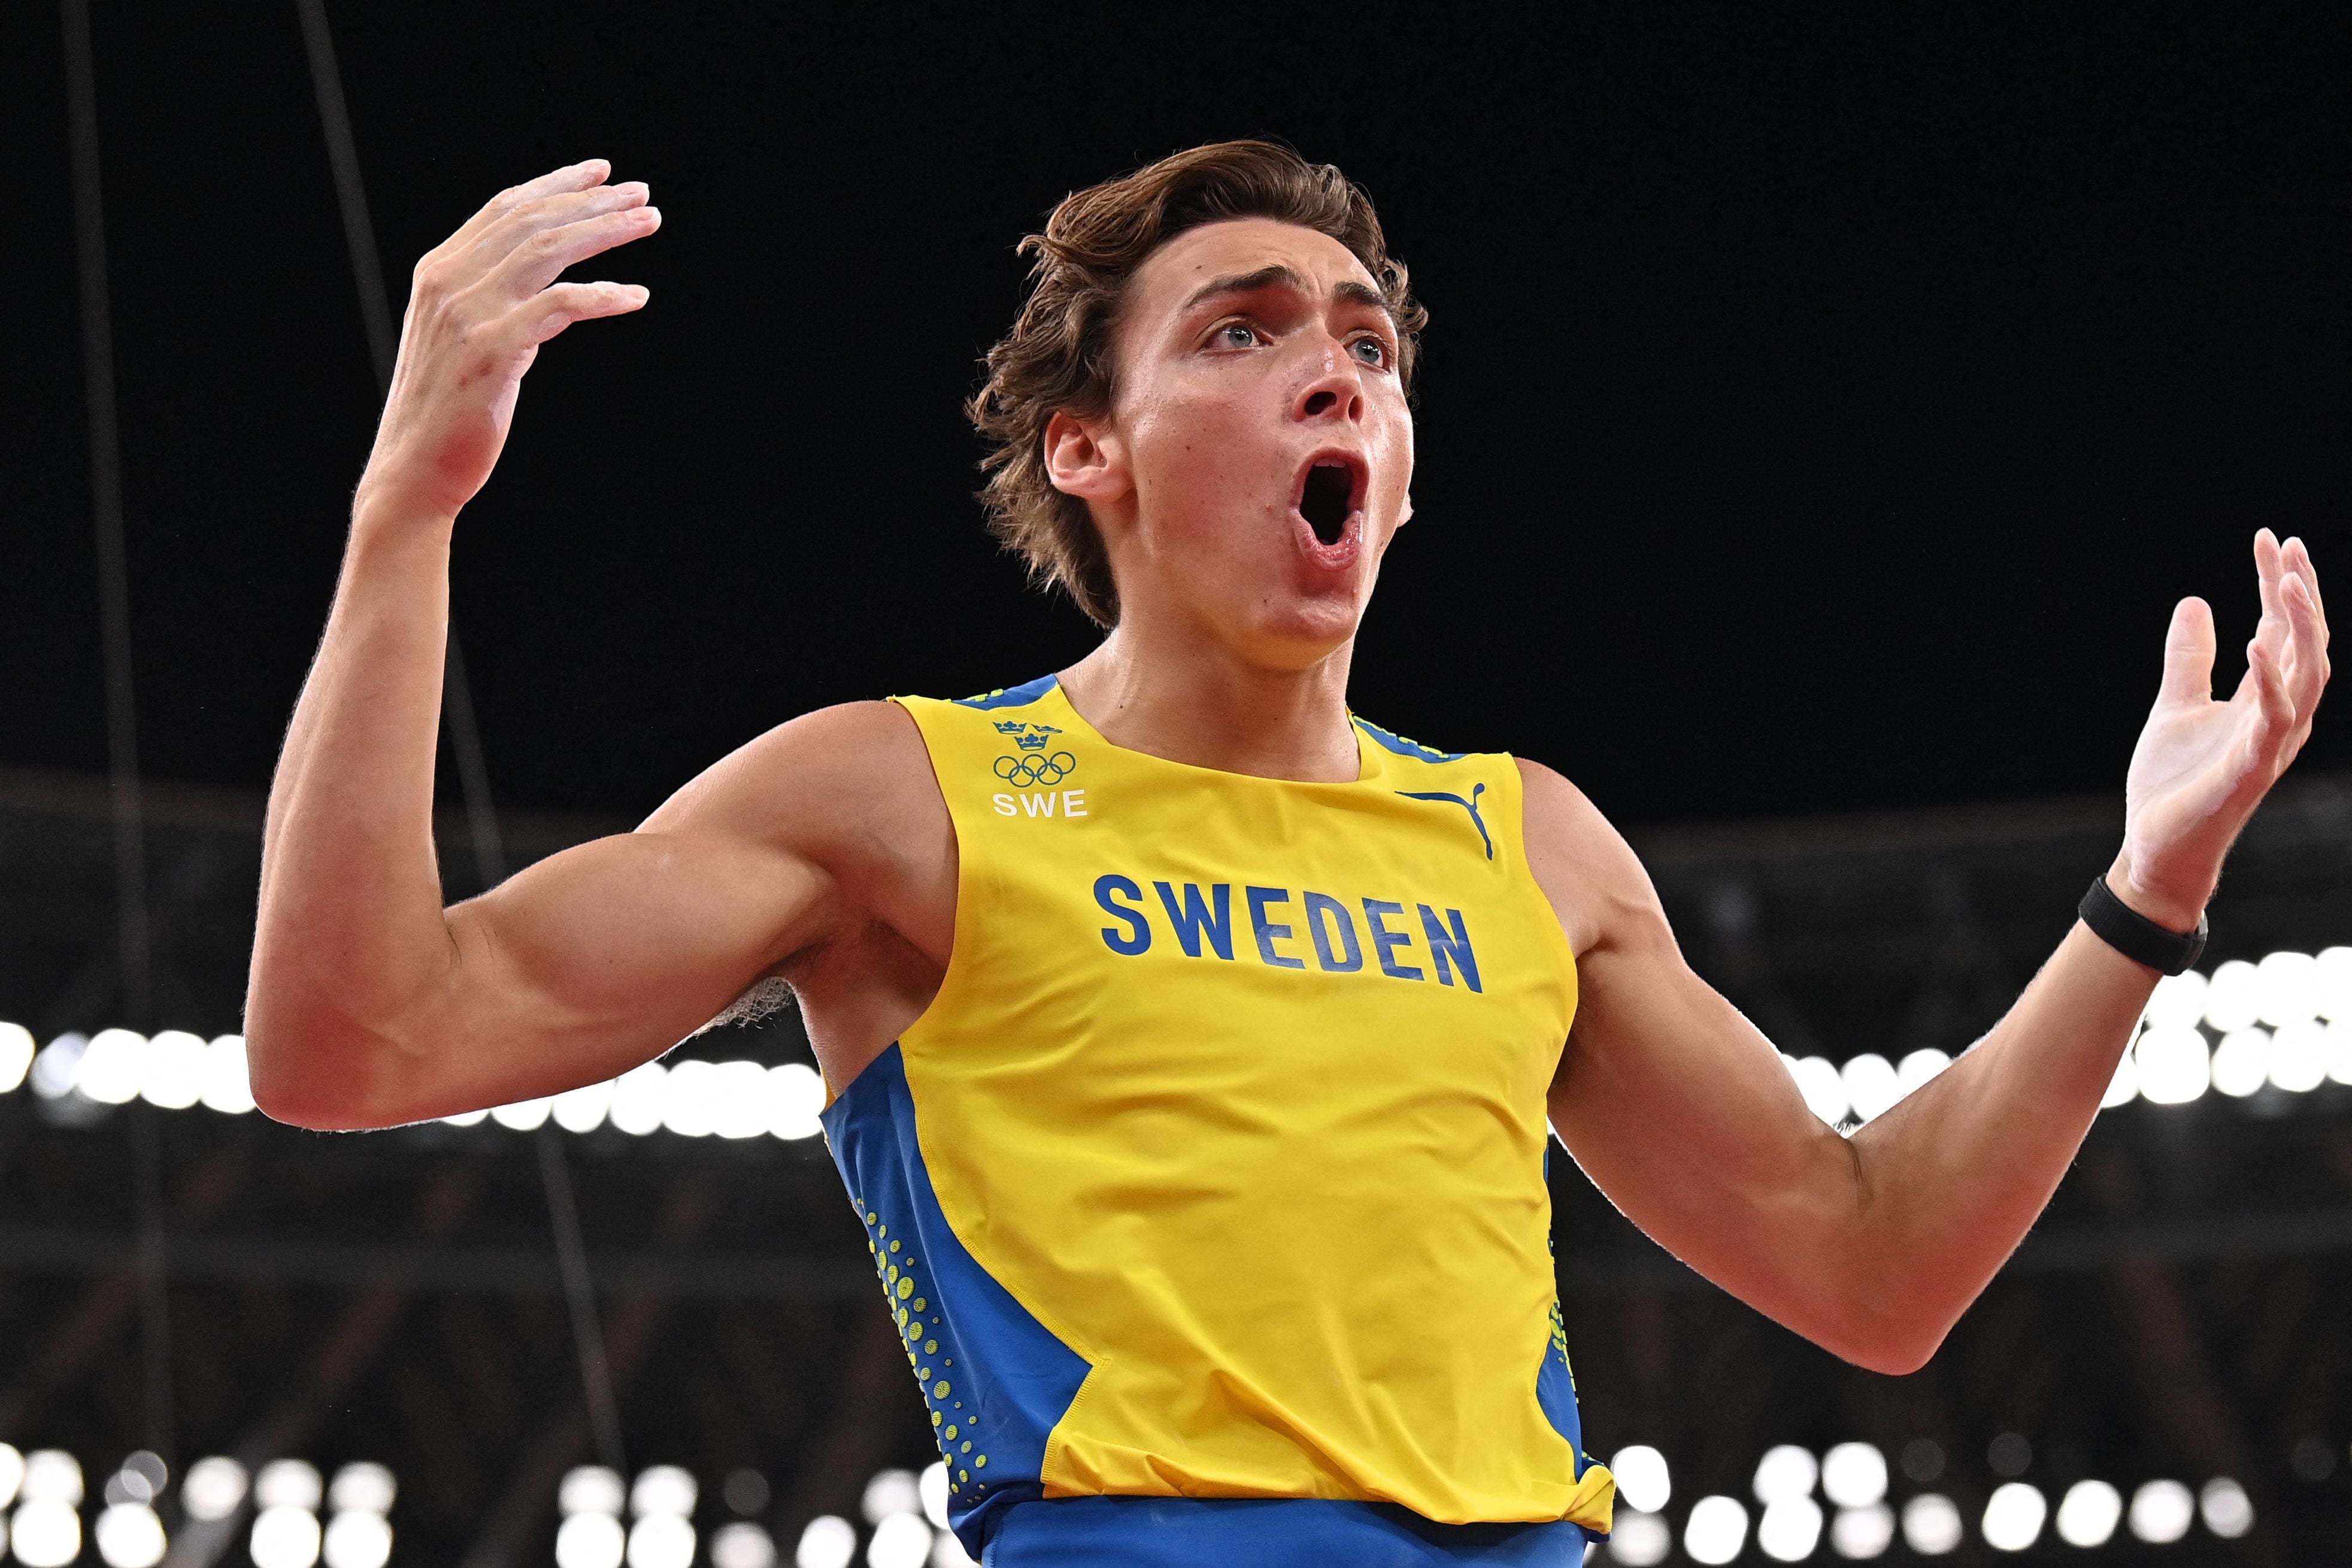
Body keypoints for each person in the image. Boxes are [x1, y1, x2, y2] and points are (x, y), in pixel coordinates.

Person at [246, 142, 2330, 1566]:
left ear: (1397, 461)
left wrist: (2141, 893)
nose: (1330, 359)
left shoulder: (1530, 842)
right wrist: (402, 511)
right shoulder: (899, 797)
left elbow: (1877, 1265)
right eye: (1239, 329)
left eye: (1364, 342)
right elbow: (351, 1035)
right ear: (1092, 447)